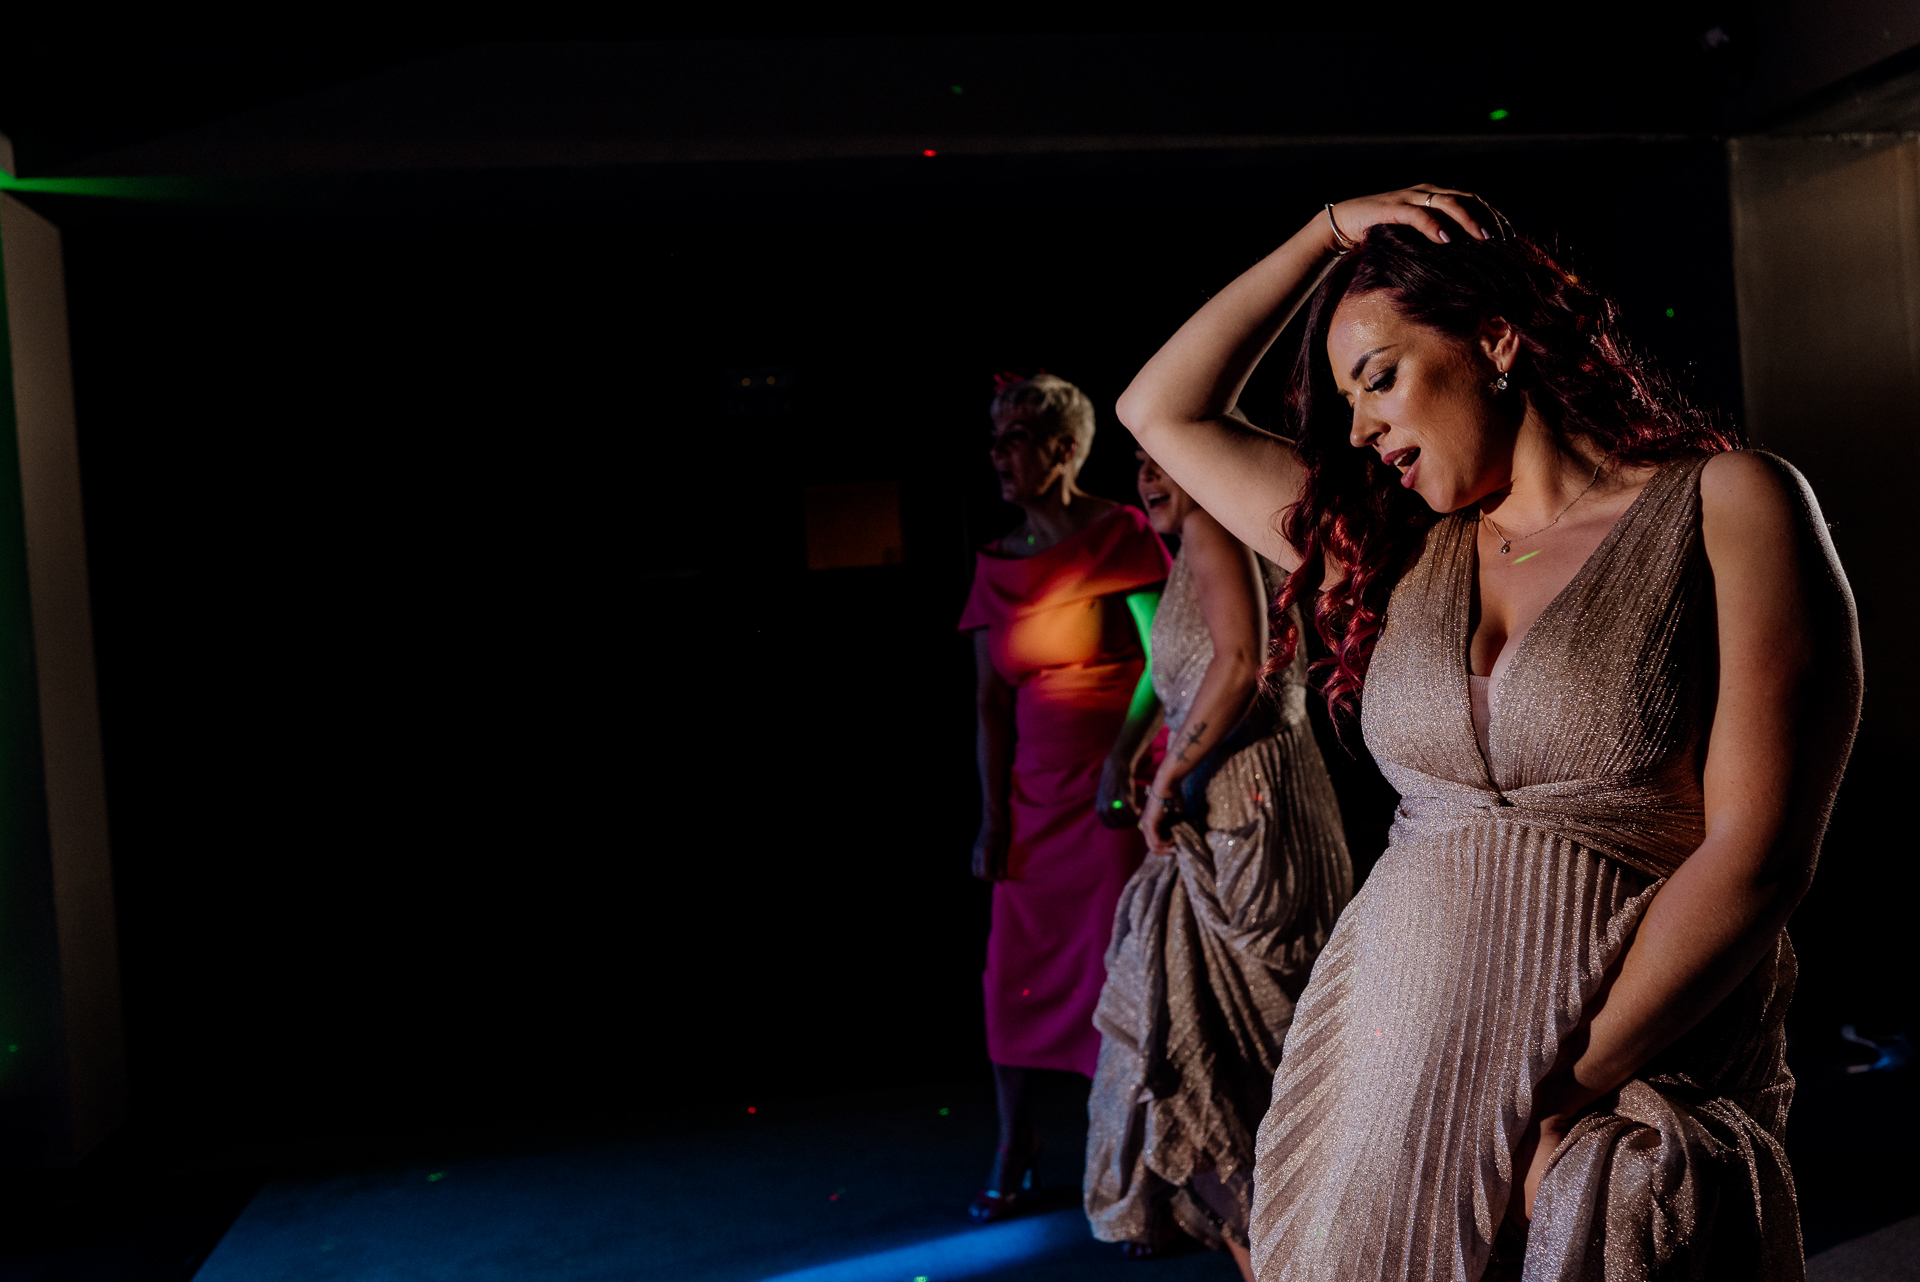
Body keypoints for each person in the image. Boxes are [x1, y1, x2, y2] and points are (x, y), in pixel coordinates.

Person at [1115, 188, 1861, 1280]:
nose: (1361, 428)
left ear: (1497, 340)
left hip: (1612, 1068)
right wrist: (1327, 232)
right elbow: (1158, 411)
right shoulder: (1391, 554)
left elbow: (1762, 855)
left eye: (1380, 376)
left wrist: (1559, 1089)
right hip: (1390, 1054)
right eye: (1348, 399)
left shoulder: (1729, 503)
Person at [1084, 449, 1354, 1281]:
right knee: (1222, 1048)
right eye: (1140, 465)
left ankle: (1297, 1254)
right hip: (1235, 803)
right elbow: (1198, 667)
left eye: (1168, 462)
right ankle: (1285, 1251)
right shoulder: (1209, 535)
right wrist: (1143, 750)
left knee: (1247, 1056)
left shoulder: (1213, 531)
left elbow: (1241, 663)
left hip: (1247, 813)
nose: (1150, 480)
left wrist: (1167, 774)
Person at [959, 372, 1170, 1222]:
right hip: (1034, 804)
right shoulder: (995, 564)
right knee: (1010, 978)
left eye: (1016, 436)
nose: (998, 454)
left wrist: (1123, 762)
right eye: (995, 437)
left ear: (1065, 448)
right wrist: (991, 816)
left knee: (1120, 975)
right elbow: (986, 704)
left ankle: (1134, 1165)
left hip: (1114, 792)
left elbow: (1167, 659)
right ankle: (1017, 1144)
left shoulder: (1120, 532)